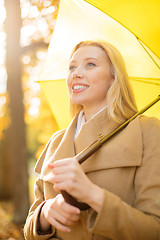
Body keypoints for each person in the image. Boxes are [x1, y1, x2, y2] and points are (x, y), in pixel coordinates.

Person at [24, 40, 160, 240]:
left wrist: (94, 196)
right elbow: (28, 230)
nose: (76, 73)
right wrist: (45, 213)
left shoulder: (146, 131)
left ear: (114, 77)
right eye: (72, 66)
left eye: (90, 64)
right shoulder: (55, 142)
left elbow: (154, 231)